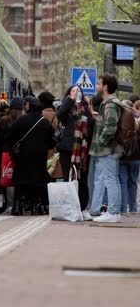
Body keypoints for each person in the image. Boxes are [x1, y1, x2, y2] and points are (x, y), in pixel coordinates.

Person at [7, 98, 56, 215]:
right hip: (39, 158)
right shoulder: (45, 123)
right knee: (36, 182)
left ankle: (17, 206)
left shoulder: (21, 120)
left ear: (30, 107)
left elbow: (10, 137)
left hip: (22, 157)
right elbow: (52, 142)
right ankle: (34, 206)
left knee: (20, 182)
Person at [89, 73, 123, 223]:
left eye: (98, 83)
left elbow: (110, 127)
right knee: (113, 179)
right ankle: (114, 212)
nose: (96, 86)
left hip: (108, 149)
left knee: (110, 180)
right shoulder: (111, 103)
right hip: (111, 148)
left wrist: (101, 141)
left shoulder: (110, 104)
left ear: (105, 87)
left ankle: (113, 212)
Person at [56, 85, 94, 219]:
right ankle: (70, 208)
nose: (76, 92)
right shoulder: (66, 108)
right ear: (68, 93)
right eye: (73, 91)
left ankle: (83, 208)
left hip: (82, 151)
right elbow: (60, 115)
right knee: (69, 178)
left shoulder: (85, 109)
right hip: (68, 149)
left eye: (78, 91)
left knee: (82, 180)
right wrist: (70, 100)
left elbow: (91, 126)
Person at [118, 100, 140, 214]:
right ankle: (133, 208)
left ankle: (123, 208)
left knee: (123, 182)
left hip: (123, 156)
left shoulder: (122, 121)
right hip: (136, 157)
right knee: (133, 182)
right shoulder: (137, 122)